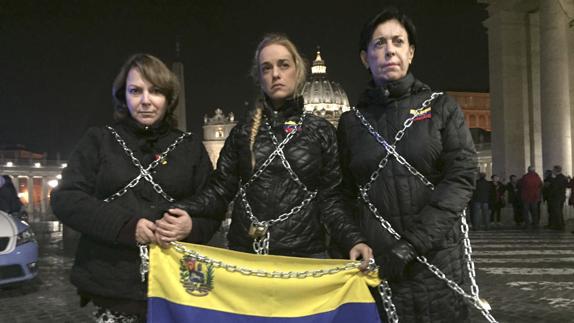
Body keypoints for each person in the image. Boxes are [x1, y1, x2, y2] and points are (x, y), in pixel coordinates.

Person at [167, 34, 372, 266]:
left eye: (284, 65)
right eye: (267, 68)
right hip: (247, 254)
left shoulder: (322, 131)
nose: (276, 74)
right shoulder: (243, 132)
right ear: (259, 78)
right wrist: (179, 209)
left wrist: (353, 240)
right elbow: (219, 191)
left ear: (298, 70)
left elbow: (332, 200)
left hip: (304, 257)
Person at [50, 54, 221, 322]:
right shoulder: (99, 140)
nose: (145, 100)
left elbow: (213, 207)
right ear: (123, 96)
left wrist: (191, 226)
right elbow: (66, 199)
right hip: (113, 282)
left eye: (155, 91)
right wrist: (126, 227)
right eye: (135, 90)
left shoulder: (190, 147)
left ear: (169, 98)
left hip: (177, 283)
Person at [337, 7, 476, 322]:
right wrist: (352, 239)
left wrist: (411, 245)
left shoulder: (442, 107)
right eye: (379, 43)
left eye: (398, 42)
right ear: (365, 57)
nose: (389, 50)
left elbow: (460, 179)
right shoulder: (350, 123)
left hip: (436, 260)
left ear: (410, 52)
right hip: (379, 265)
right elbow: (341, 193)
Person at [546, 165, 568, 230]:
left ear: (556, 170)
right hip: (561, 197)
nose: (552, 171)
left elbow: (555, 187)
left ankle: (559, 226)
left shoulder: (558, 178)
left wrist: (552, 179)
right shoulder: (563, 177)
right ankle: (560, 224)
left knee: (557, 211)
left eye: (553, 170)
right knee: (559, 211)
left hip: (556, 197)